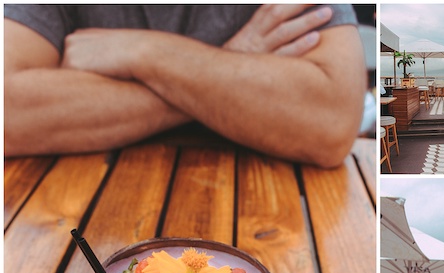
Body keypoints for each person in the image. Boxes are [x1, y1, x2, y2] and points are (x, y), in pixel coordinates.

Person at [4, 4, 366, 168]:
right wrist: (228, 65)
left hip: (276, 220)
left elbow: (331, 125)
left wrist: (147, 54)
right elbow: (10, 116)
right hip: (71, 217)